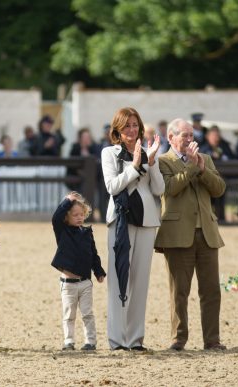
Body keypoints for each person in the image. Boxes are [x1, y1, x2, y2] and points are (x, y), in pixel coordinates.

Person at [154, 118, 226, 351]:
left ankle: (212, 340)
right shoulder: (162, 161)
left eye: (191, 135)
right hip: (177, 234)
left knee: (211, 290)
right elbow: (170, 188)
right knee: (179, 291)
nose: (189, 139)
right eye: (184, 135)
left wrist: (202, 168)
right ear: (171, 138)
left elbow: (219, 189)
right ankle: (179, 338)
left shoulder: (205, 159)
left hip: (206, 233)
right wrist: (192, 167)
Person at [102, 107, 164, 351]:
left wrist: (153, 161)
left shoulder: (148, 153)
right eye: (126, 126)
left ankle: (136, 339)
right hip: (119, 221)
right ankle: (117, 340)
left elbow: (158, 189)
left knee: (140, 281)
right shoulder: (109, 153)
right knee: (118, 280)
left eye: (135, 125)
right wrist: (135, 166)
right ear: (118, 129)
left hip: (147, 221)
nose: (132, 130)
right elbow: (112, 186)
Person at [51, 192, 106, 351]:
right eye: (75, 215)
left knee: (88, 314)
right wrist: (67, 201)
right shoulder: (62, 232)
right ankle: (69, 342)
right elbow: (55, 218)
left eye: (82, 214)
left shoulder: (87, 233)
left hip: (85, 283)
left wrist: (98, 271)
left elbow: (93, 254)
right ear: (67, 217)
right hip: (68, 284)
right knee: (69, 315)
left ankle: (90, 342)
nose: (79, 217)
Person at [200, 125, 235, 223]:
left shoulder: (224, 146)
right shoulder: (203, 147)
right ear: (208, 136)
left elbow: (232, 157)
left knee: (221, 191)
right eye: (213, 136)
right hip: (207, 179)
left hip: (223, 178)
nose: (215, 138)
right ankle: (209, 218)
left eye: (217, 136)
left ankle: (221, 218)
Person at [67, 127, 101, 192]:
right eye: (84, 137)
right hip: (77, 179)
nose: (86, 139)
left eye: (88, 137)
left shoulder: (93, 148)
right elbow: (71, 165)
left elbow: (97, 161)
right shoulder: (75, 148)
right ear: (80, 138)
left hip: (92, 179)